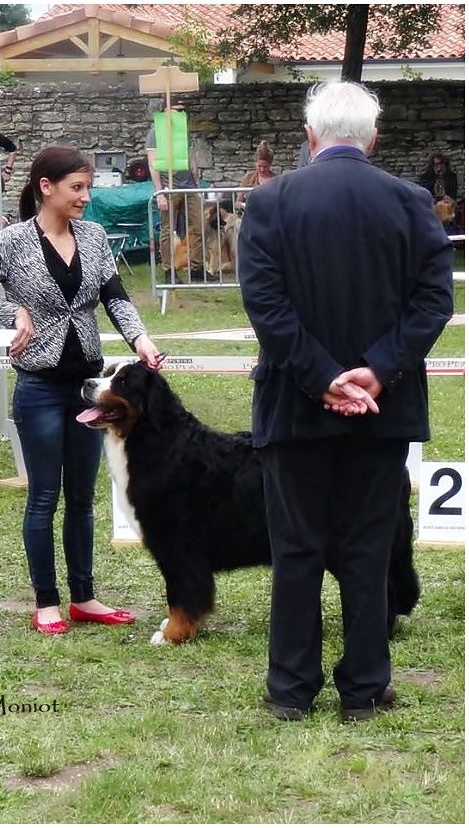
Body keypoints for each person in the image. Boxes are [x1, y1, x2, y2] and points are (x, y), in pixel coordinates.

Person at [238, 80, 453, 723]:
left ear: (310, 138)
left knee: (296, 548)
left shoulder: (270, 201)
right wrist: (377, 372)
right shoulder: (412, 201)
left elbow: (265, 305)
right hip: (383, 410)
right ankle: (364, 689)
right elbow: (433, 302)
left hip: (294, 405)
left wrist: (323, 376)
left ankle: (290, 689)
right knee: (367, 546)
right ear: (373, 138)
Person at [0, 145, 160, 635]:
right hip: (39, 386)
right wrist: (13, 312)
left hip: (88, 386)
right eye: (77, 188)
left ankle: (84, 596)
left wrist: (142, 340)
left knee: (83, 497)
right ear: (47, 187)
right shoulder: (13, 240)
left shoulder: (94, 235)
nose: (86, 197)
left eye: (87, 188)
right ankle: (46, 601)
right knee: (44, 497)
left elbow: (115, 297)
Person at [145, 99, 204, 282]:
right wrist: (160, 192)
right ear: (166, 112)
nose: (180, 114)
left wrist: (197, 184)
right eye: (176, 110)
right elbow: (153, 164)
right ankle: (169, 271)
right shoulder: (156, 133)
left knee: (199, 226)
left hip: (189, 187)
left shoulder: (182, 132)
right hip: (169, 187)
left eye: (182, 111)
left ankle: (196, 269)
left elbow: (190, 158)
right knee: (168, 230)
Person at [237, 140, 277, 206]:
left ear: (270, 165)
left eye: (265, 166)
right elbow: (238, 202)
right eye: (259, 166)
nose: (262, 169)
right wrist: (245, 206)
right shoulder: (248, 178)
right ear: (255, 163)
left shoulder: (276, 180)